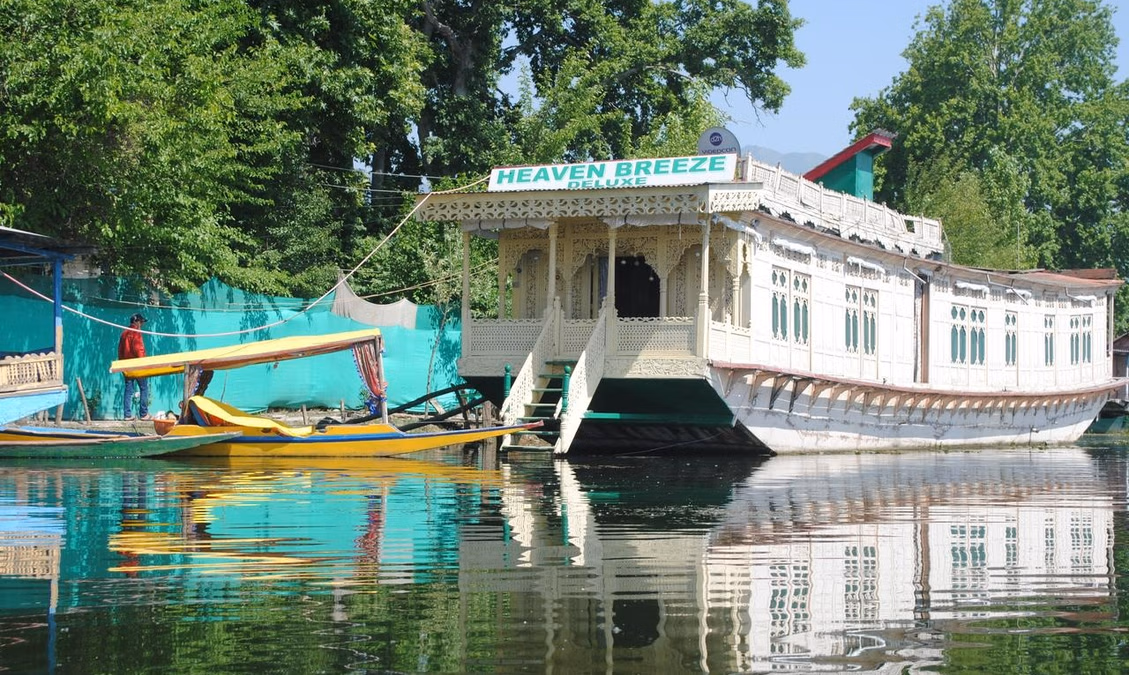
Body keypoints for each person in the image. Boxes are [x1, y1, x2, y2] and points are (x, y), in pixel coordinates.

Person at [118, 313, 150, 421]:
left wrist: (122, 364)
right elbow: (139, 349)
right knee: (144, 388)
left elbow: (120, 351)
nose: (142, 325)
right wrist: (143, 363)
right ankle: (144, 414)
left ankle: (127, 415)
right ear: (136, 322)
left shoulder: (124, 333)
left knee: (128, 389)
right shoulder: (136, 333)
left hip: (126, 365)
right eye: (141, 322)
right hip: (137, 365)